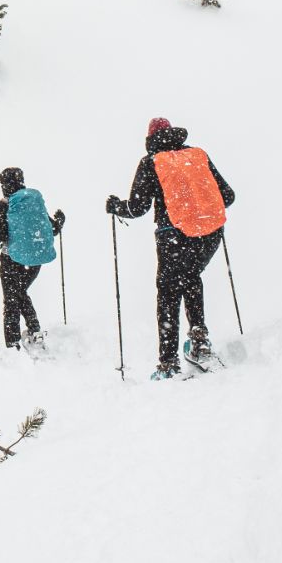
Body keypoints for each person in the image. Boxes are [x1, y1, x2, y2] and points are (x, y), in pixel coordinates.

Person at [106, 117, 235, 379]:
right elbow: (228, 196)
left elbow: (137, 208)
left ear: (150, 138)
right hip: (208, 234)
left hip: (172, 236)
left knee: (168, 294)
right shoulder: (197, 156)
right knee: (191, 279)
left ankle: (168, 364)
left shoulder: (151, 162)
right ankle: (199, 342)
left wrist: (115, 206)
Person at [0, 166, 65, 351]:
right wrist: (60, 220)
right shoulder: (32, 203)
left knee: (11, 300)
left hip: (11, 260)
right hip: (34, 261)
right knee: (20, 293)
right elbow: (52, 229)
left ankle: (13, 344)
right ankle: (34, 331)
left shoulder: (3, 206)